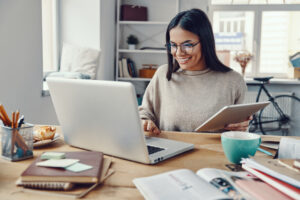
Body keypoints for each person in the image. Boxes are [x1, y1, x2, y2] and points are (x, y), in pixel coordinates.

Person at [138, 8, 249, 134]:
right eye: (173, 45)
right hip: (170, 152)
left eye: (187, 45)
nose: (179, 53)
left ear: (205, 42)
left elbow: (240, 131)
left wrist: (242, 126)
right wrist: (144, 121)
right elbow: (144, 112)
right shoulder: (162, 75)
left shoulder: (233, 81)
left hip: (213, 153)